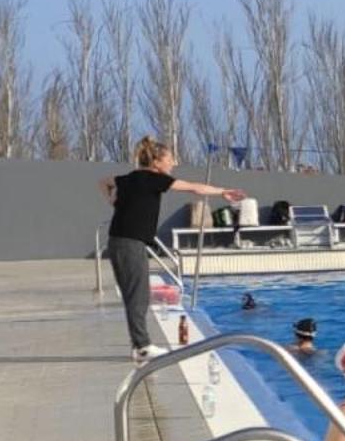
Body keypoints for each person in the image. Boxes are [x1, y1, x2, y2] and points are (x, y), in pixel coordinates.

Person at [100, 136, 248, 364]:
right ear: (157, 162)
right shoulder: (153, 179)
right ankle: (142, 347)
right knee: (138, 295)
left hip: (119, 240)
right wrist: (222, 192)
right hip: (130, 243)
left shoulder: (130, 178)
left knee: (134, 295)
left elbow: (103, 181)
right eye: (170, 159)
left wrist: (112, 200)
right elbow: (193, 188)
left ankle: (139, 346)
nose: (174, 163)